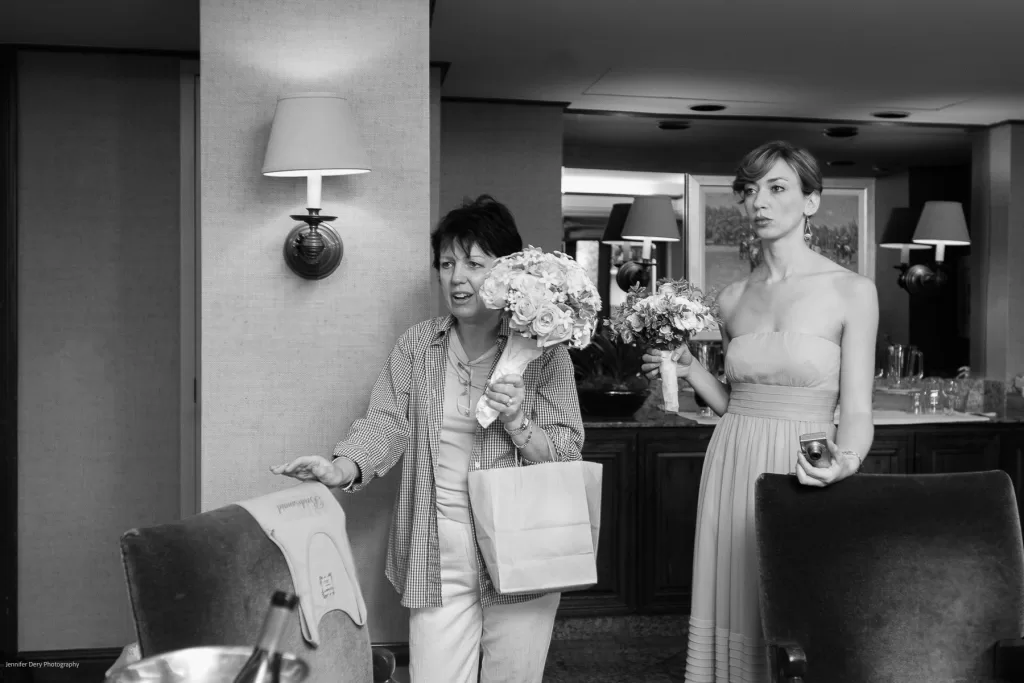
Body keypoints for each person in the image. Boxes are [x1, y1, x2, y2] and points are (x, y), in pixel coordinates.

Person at [271, 194, 584, 683]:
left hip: (522, 545)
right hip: (438, 548)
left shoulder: (545, 354)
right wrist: (341, 468)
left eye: (475, 264)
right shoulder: (419, 345)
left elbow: (566, 452)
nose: (457, 278)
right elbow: (387, 421)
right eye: (446, 263)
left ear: (509, 274)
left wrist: (519, 421)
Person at [641, 141, 878, 682]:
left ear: (811, 202)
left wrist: (847, 462)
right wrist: (689, 370)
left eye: (777, 188)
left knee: (799, 605)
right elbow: (734, 401)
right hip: (732, 462)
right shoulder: (728, 299)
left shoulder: (851, 291)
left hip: (806, 465)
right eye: (750, 191)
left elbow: (858, 410)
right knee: (737, 598)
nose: (760, 202)